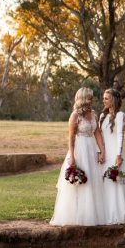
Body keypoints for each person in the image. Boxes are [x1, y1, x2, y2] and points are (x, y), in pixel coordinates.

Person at [51, 87, 107, 226]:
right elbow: (70, 137)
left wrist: (102, 151)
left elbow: (98, 133)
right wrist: (72, 156)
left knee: (92, 181)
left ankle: (90, 215)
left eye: (92, 97)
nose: (92, 99)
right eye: (89, 97)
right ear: (82, 98)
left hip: (91, 149)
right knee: (78, 183)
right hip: (79, 150)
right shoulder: (75, 115)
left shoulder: (93, 114)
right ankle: (75, 215)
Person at [99, 87, 125, 224]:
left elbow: (120, 136)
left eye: (106, 98)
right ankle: (104, 214)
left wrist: (118, 155)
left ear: (113, 100)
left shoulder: (120, 115)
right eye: (103, 98)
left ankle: (117, 215)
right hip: (105, 154)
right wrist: (99, 152)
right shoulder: (102, 116)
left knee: (115, 182)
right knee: (104, 182)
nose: (103, 100)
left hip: (115, 153)